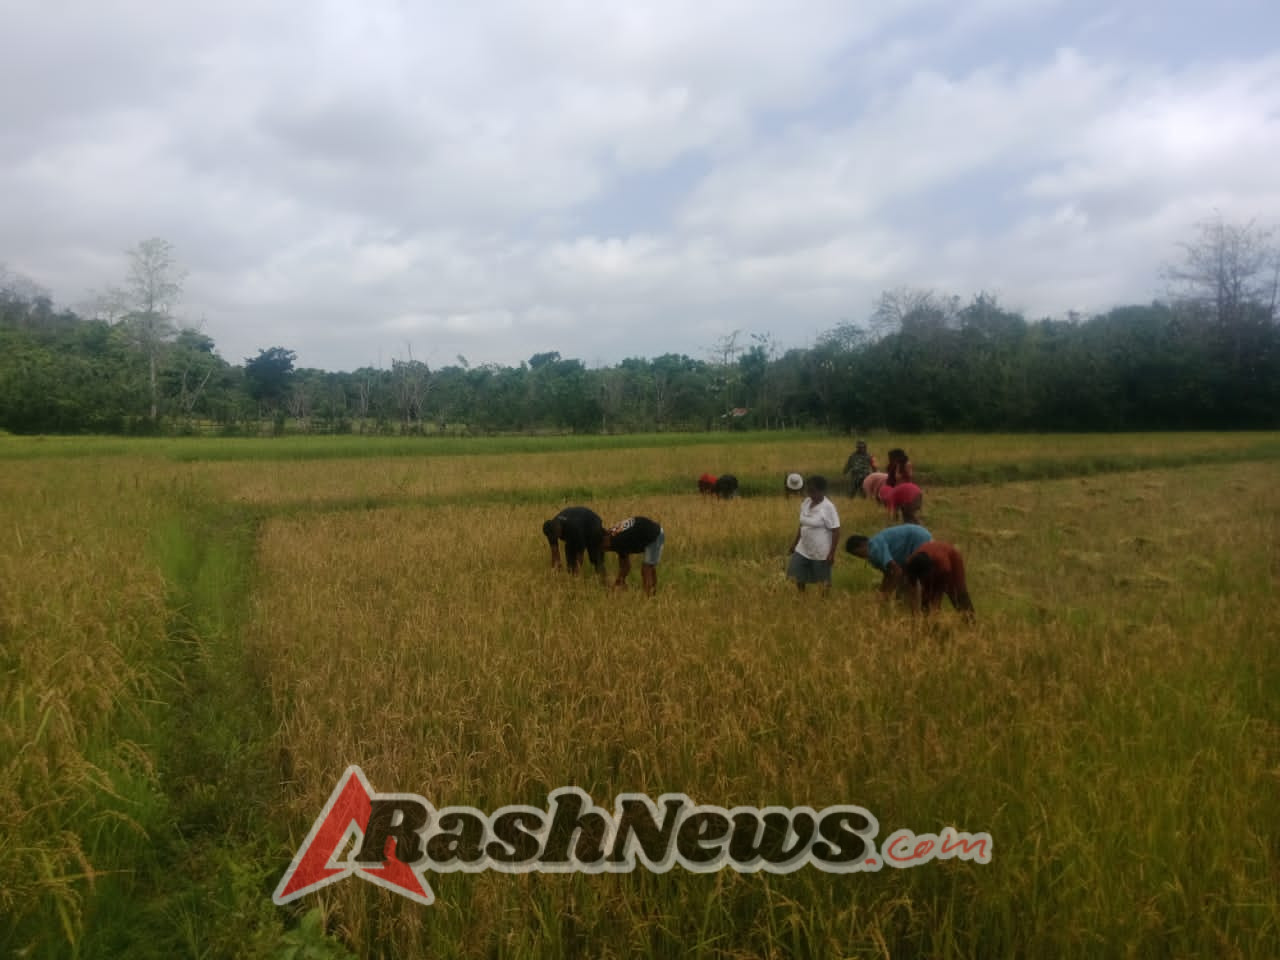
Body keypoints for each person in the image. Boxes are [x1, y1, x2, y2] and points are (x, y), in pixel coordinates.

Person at [845, 524, 932, 603]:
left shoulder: (874, 548)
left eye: (858, 553)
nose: (860, 557)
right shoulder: (873, 551)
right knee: (904, 580)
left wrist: (887, 594)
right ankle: (907, 604)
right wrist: (882, 592)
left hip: (917, 538)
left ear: (863, 544)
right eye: (857, 556)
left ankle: (920, 606)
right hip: (916, 536)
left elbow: (897, 571)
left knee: (913, 576)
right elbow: (888, 574)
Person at [786, 475, 841, 595]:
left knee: (823, 581)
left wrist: (832, 553)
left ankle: (824, 602)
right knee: (797, 574)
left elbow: (836, 530)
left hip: (820, 551)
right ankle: (802, 597)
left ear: (822, 491)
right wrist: (794, 544)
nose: (810, 494)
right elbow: (801, 525)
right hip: (803, 547)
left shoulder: (828, 507)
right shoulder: (806, 502)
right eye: (808, 490)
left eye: (813, 491)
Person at [904, 541, 975, 621]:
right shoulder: (910, 564)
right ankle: (925, 623)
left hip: (952, 558)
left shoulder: (943, 566)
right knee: (926, 596)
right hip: (930, 562)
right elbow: (912, 590)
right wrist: (914, 615)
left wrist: (935, 609)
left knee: (957, 593)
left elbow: (939, 592)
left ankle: (970, 621)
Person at [601, 516, 665, 596]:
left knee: (646, 569)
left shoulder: (618, 541)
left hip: (655, 535)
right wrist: (620, 581)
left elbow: (625, 566)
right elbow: (624, 566)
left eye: (602, 547)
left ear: (604, 540)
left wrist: (618, 582)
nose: (604, 550)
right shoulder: (611, 535)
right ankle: (653, 594)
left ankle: (649, 598)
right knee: (649, 567)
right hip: (648, 532)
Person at [542, 507, 606, 577]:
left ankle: (602, 578)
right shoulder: (550, 529)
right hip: (576, 524)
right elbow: (554, 552)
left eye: (557, 535)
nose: (556, 538)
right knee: (570, 562)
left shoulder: (574, 528)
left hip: (593, 525)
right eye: (553, 537)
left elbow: (580, 555)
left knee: (595, 557)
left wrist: (577, 574)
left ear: (558, 528)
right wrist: (555, 567)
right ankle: (571, 574)